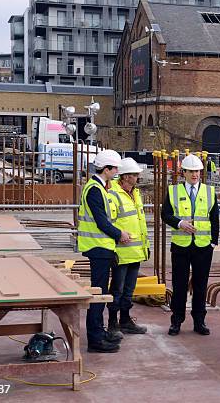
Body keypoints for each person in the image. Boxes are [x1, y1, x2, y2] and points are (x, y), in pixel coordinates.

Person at [78, 149, 131, 353]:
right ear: (106, 169)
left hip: (102, 248)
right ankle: (95, 340)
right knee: (98, 294)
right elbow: (101, 221)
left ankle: (98, 335)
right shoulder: (94, 189)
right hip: (97, 248)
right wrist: (120, 234)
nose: (117, 171)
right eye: (115, 168)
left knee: (101, 292)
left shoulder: (100, 188)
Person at [161, 154, 220, 336]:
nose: (194, 174)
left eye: (197, 171)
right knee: (179, 285)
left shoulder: (209, 192)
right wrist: (180, 223)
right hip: (181, 246)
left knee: (201, 285)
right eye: (191, 171)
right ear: (183, 173)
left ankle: (199, 321)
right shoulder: (173, 191)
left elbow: (214, 219)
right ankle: (176, 321)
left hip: (203, 247)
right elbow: (165, 214)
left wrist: (213, 243)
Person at [107, 158, 150, 338]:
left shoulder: (135, 193)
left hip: (135, 251)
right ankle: (112, 324)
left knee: (129, 290)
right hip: (121, 252)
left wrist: (145, 247)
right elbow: (109, 222)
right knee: (117, 290)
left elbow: (139, 223)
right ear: (124, 177)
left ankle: (125, 321)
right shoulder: (113, 194)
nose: (137, 178)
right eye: (133, 175)